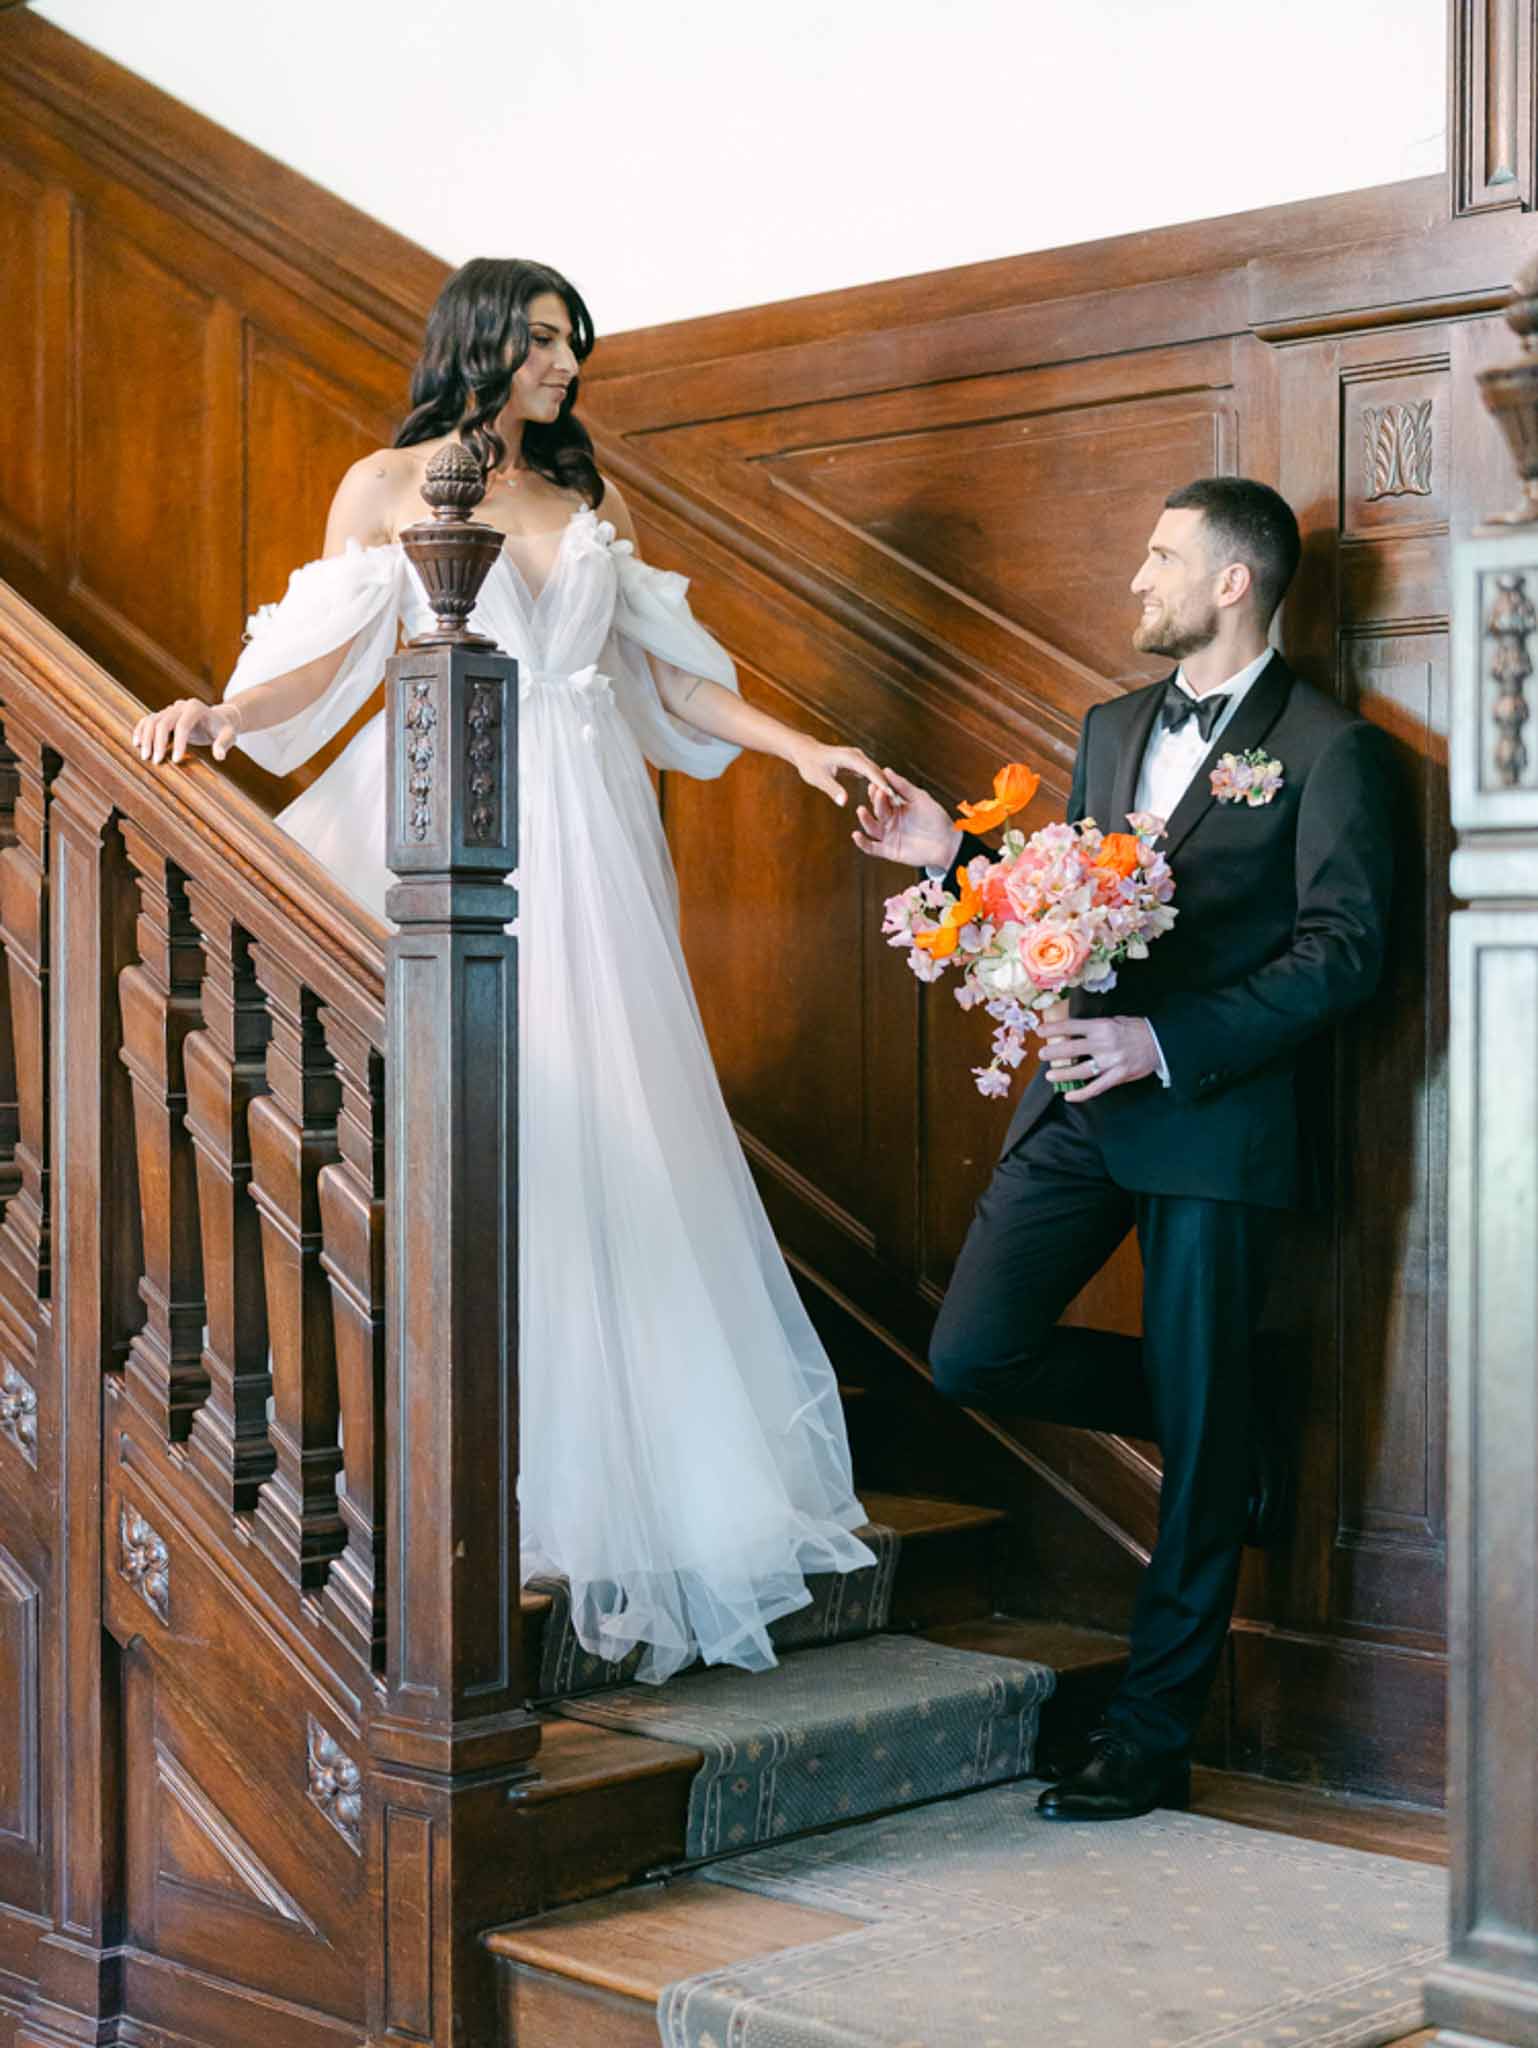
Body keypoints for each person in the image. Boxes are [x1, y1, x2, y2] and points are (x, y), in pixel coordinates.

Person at [132, 257, 888, 1685]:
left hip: (587, 832)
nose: (565, 365)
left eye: (572, 343)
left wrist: (805, 751)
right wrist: (222, 715)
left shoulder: (593, 499)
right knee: (482, 1117)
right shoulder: (386, 484)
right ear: (479, 341)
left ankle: (613, 1483)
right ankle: (454, 1463)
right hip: (450, 802)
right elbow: (325, 660)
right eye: (543, 340)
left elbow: (672, 676)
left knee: (608, 1123)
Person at [852, 478, 1393, 1818]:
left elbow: (1345, 954)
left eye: (1161, 556)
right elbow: (1069, 897)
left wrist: (1165, 1040)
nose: (1137, 578)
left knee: (1201, 1450)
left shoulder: (1329, 750)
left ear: (1233, 581)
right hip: (1078, 1110)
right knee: (973, 1350)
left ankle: (1151, 1736)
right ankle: (1229, 1414)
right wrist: (951, 856)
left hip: (1211, 1117)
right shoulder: (1109, 727)